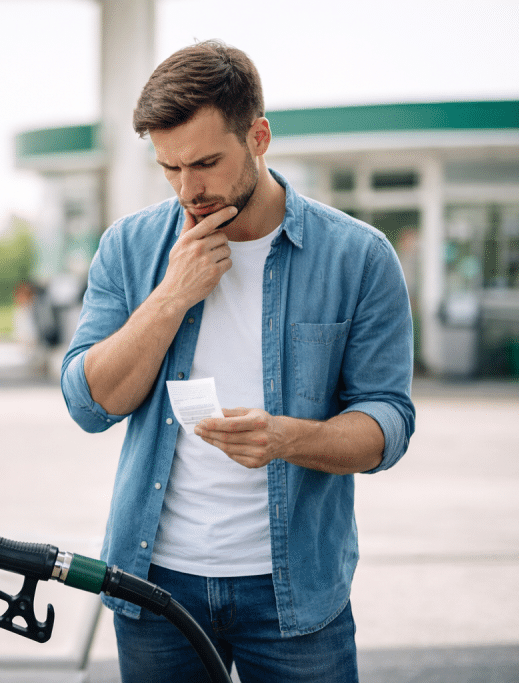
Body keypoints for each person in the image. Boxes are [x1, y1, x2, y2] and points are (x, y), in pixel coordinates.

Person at [60, 40, 415, 682]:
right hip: (155, 586)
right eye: (168, 167)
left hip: (295, 595)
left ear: (258, 136)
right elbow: (90, 404)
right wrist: (170, 297)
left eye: (205, 162)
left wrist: (287, 438)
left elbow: (387, 425)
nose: (187, 189)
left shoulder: (358, 257)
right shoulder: (131, 247)